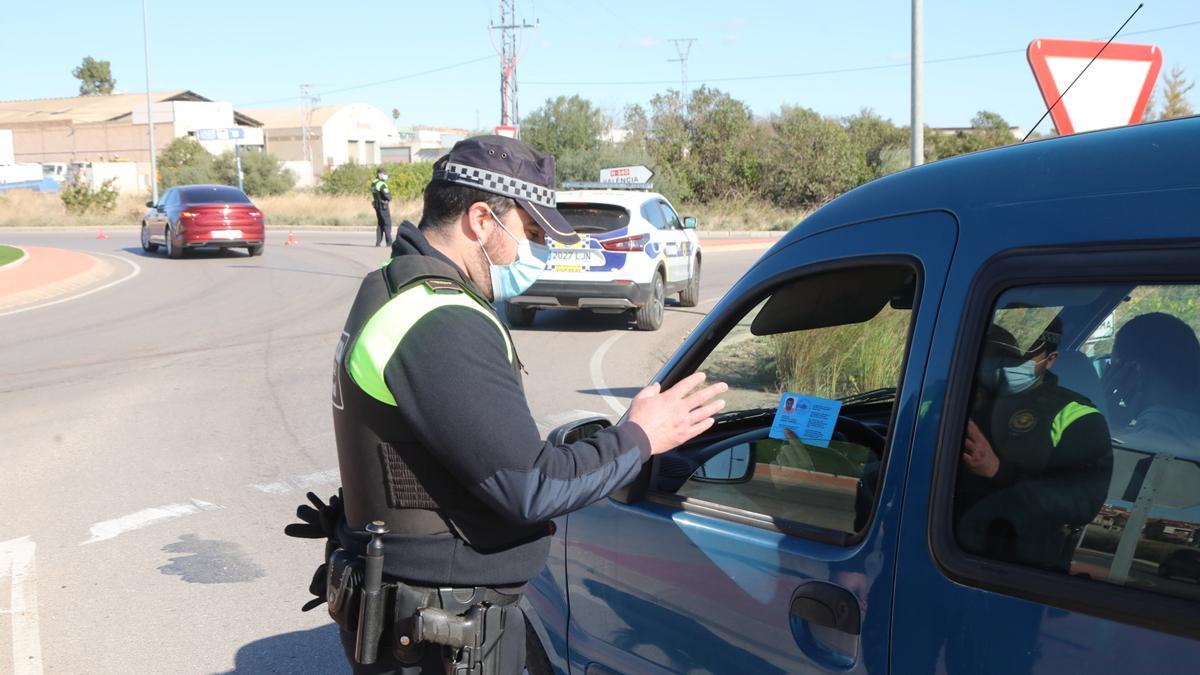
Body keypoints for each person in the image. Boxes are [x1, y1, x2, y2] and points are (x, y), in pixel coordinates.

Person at [300, 135, 727, 674]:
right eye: (527, 232)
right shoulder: (443, 320)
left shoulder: (388, 287)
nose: (532, 251)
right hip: (439, 632)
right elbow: (532, 486)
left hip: (411, 610)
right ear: (481, 221)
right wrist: (641, 436)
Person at [955, 319, 1113, 572]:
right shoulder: (955, 394)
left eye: (1017, 358)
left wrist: (998, 471)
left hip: (1021, 568)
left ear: (1049, 359)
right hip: (943, 546)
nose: (1003, 364)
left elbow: (1082, 504)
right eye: (996, 354)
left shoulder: (1077, 416)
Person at [1102, 312, 1200, 460]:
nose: (1108, 377)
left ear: (1136, 373)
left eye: (1113, 368)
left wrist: (1103, 426)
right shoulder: (1190, 432)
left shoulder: (1135, 451)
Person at [371, 167, 393, 247]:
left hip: (377, 206)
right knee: (387, 224)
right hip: (383, 206)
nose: (385, 176)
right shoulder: (381, 184)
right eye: (384, 174)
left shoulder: (373, 183)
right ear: (379, 174)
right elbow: (386, 195)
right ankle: (389, 242)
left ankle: (378, 242)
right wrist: (390, 198)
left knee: (380, 224)